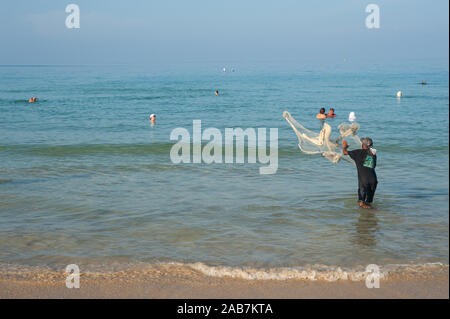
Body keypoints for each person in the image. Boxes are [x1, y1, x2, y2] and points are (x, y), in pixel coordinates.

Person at [342, 137, 378, 209]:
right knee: (368, 202)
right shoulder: (373, 154)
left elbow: (345, 153)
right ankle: (370, 217)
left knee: (361, 203)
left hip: (364, 180)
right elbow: (373, 165)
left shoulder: (357, 152)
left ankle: (375, 211)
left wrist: (344, 147)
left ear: (362, 145)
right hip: (374, 180)